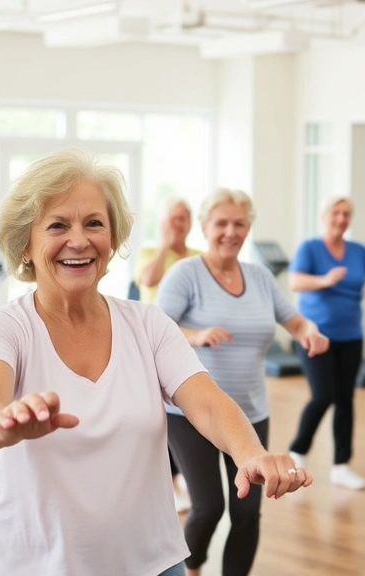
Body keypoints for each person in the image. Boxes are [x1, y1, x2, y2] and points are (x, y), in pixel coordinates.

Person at [0, 148, 312, 576]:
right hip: (32, 565)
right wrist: (0, 423)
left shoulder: (148, 324)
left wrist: (249, 452)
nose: (79, 239)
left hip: (153, 564)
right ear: (26, 246)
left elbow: (207, 401)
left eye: (94, 223)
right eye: (57, 225)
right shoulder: (3, 326)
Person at [156, 189, 328, 576]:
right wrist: (196, 335)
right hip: (192, 413)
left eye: (239, 224)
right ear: (205, 227)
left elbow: (294, 320)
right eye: (221, 223)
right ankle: (192, 568)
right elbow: (157, 330)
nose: (230, 232)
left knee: (248, 511)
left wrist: (309, 332)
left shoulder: (260, 277)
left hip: (250, 410)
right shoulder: (186, 274)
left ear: (248, 228)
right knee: (208, 507)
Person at [286, 196, 365, 490]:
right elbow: (295, 282)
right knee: (323, 395)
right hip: (314, 335)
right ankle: (297, 451)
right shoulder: (310, 248)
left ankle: (341, 466)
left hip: (351, 336)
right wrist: (324, 280)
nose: (341, 219)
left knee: (345, 399)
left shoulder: (358, 251)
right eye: (336, 213)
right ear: (324, 216)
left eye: (346, 214)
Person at [136, 196, 200, 512]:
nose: (178, 225)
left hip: (191, 346)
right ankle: (169, 482)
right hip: (153, 344)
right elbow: (148, 280)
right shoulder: (150, 253)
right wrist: (165, 245)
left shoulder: (198, 257)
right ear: (162, 223)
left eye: (182, 219)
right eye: (172, 219)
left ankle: (182, 473)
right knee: (163, 416)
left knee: (187, 412)